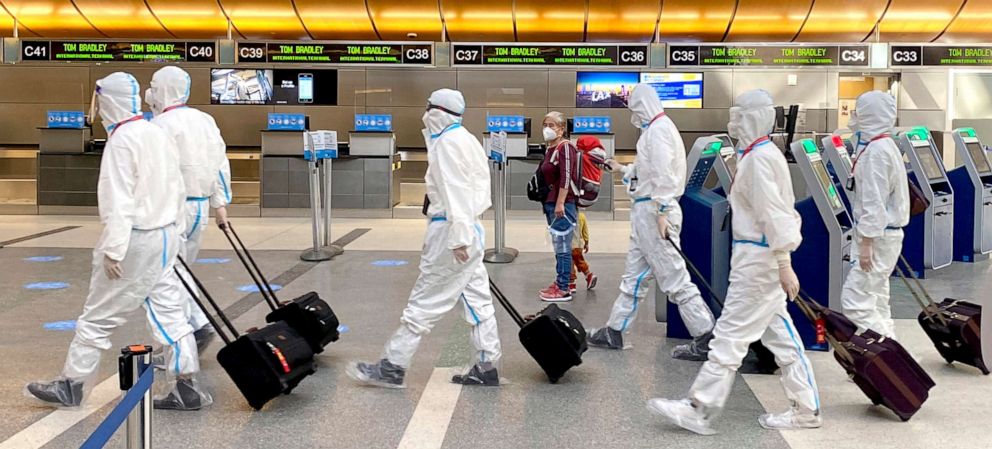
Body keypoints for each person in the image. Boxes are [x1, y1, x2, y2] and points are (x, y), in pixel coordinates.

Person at [26, 72, 210, 411]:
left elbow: (119, 202)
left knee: (98, 315)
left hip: (136, 241)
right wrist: (177, 232)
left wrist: (113, 249)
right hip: (167, 237)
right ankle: (187, 387)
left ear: (106, 102)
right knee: (170, 313)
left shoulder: (123, 140)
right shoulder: (156, 131)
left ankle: (73, 384)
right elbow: (178, 187)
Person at [647, 89, 821, 434]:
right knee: (783, 339)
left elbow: (775, 214)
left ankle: (699, 408)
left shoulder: (758, 160)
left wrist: (783, 261)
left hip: (758, 261)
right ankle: (806, 409)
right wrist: (781, 263)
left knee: (729, 336)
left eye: (739, 115)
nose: (733, 121)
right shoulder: (761, 153)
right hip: (761, 258)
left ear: (755, 118)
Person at [346, 89, 502, 388]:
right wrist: (466, 234)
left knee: (424, 300)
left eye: (428, 108)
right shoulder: (467, 139)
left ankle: (393, 365)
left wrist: (458, 238)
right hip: (470, 228)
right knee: (478, 301)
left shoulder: (447, 143)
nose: (424, 114)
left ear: (437, 113)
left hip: (451, 231)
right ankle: (487, 365)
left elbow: (456, 191)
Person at [586, 84, 715, 361]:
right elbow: (647, 171)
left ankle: (706, 336)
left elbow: (664, 176)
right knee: (634, 277)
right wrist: (621, 168)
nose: (633, 115)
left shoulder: (658, 132)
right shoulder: (656, 130)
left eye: (634, 109)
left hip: (655, 213)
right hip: (647, 214)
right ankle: (616, 330)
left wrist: (663, 212)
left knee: (675, 278)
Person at [145, 66, 232, 354]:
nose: (151, 93)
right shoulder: (204, 120)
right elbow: (220, 162)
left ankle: (183, 337)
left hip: (171, 210)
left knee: (166, 274)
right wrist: (220, 204)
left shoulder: (159, 126)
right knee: (182, 270)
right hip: (199, 208)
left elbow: (150, 174)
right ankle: (196, 325)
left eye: (154, 86)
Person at [840, 91, 908, 339]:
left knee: (855, 300)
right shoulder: (884, 144)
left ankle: (886, 354)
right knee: (877, 298)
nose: (853, 116)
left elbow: (873, 201)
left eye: (858, 111)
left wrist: (866, 242)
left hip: (878, 238)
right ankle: (890, 350)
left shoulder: (876, 152)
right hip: (887, 235)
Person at [538, 112, 579, 302]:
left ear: (562, 129)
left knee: (563, 246)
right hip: (551, 203)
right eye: (545, 124)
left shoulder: (565, 148)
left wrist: (561, 202)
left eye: (552, 125)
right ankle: (563, 281)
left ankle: (563, 288)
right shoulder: (551, 148)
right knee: (559, 246)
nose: (548, 128)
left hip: (562, 204)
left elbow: (566, 176)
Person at [569, 211, 597, 293]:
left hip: (571, 244)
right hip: (579, 244)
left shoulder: (570, 214)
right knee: (578, 260)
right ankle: (586, 276)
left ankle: (573, 282)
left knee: (572, 262)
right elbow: (585, 231)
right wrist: (586, 243)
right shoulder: (582, 216)